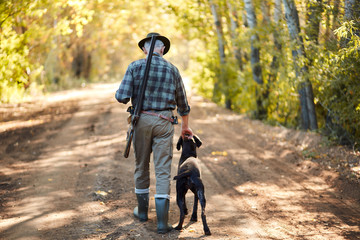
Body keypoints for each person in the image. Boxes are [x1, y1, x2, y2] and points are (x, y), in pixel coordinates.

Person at [115, 32, 192, 234]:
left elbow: (121, 97)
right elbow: (183, 104)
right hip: (165, 122)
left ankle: (141, 212)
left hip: (140, 121)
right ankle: (161, 223)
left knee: (141, 166)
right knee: (163, 170)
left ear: (144, 49)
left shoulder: (134, 67)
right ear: (162, 49)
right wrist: (185, 127)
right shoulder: (173, 70)